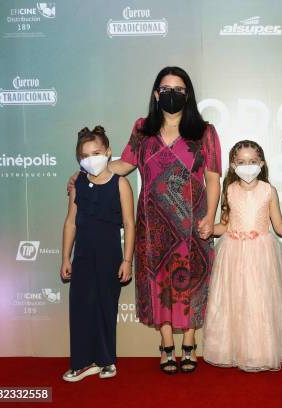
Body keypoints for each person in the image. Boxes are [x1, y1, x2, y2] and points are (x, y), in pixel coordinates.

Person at [67, 66, 221, 374]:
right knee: (161, 284)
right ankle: (166, 346)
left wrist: (209, 217)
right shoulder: (142, 129)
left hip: (192, 223)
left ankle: (189, 344)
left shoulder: (204, 131)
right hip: (153, 226)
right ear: (155, 94)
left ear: (187, 94)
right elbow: (124, 164)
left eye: (178, 89)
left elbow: (214, 178)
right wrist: (89, 168)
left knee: (192, 283)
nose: (172, 94)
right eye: (166, 89)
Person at [203, 140, 282, 372]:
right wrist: (210, 227)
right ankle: (232, 349)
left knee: (259, 303)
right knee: (234, 302)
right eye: (241, 162)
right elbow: (224, 225)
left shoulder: (268, 190)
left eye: (252, 162)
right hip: (232, 252)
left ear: (262, 163)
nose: (247, 166)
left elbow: (278, 225)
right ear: (232, 165)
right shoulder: (229, 191)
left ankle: (259, 352)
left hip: (262, 253)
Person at [60, 126, 135, 382]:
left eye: (97, 152)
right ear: (79, 159)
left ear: (108, 152)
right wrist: (64, 258)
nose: (91, 158)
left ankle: (106, 361)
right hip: (81, 257)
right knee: (80, 306)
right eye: (85, 155)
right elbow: (70, 222)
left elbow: (130, 224)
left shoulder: (121, 184)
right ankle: (81, 362)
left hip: (111, 256)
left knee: (105, 307)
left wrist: (127, 260)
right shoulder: (77, 185)